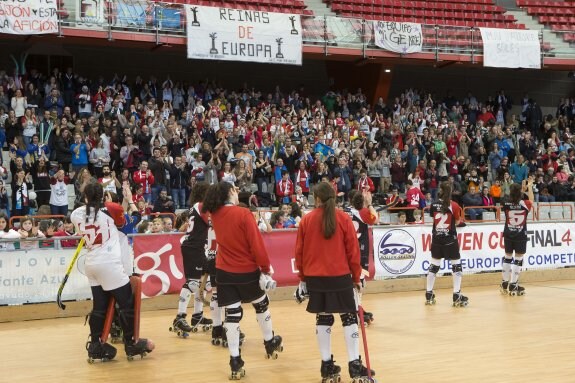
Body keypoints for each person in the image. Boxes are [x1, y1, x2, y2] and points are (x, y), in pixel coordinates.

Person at [294, 182, 375, 383]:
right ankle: (355, 366)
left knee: (323, 319)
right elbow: (353, 251)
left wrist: (303, 279)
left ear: (317, 199)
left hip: (316, 279)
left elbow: (299, 253)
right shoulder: (343, 218)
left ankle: (327, 366)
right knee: (349, 319)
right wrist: (356, 277)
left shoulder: (307, 220)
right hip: (340, 277)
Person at [202, 182, 282, 379]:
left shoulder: (215, 214)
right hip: (246, 269)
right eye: (236, 190)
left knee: (232, 314)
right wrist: (265, 268)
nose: (238, 193)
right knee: (261, 304)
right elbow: (256, 244)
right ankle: (269, 341)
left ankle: (235, 360)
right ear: (230, 192)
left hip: (224, 272)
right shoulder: (243, 214)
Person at [71, 182, 154, 361]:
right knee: (127, 304)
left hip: (91, 264)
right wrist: (129, 200)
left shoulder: (75, 214)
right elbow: (132, 219)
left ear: (85, 197)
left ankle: (95, 346)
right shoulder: (110, 209)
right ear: (103, 196)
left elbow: (92, 214)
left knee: (99, 307)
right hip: (108, 264)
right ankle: (131, 344)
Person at [171, 182, 214, 338]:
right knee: (193, 283)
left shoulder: (195, 207)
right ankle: (179, 317)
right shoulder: (202, 206)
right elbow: (213, 221)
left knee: (204, 282)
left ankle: (197, 316)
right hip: (193, 248)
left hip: (197, 247)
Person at [426, 181, 468, 307]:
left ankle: (429, 293)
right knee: (456, 266)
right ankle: (456, 294)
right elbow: (456, 222)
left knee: (434, 266)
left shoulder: (433, 205)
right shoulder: (454, 205)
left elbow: (434, 219)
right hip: (450, 240)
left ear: (440, 190)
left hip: (437, 239)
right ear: (450, 192)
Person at [349, 190, 378, 324]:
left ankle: (357, 308)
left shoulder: (347, 212)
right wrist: (370, 204)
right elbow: (375, 219)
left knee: (355, 281)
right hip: (361, 253)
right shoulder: (364, 213)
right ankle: (357, 312)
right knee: (359, 283)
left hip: (350, 252)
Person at [500, 180, 534, 296]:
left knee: (507, 257)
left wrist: (518, 191)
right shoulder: (525, 204)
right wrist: (529, 187)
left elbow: (511, 199)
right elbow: (531, 200)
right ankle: (513, 284)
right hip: (520, 235)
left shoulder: (505, 202)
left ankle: (504, 283)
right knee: (518, 259)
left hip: (508, 233)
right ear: (520, 193)